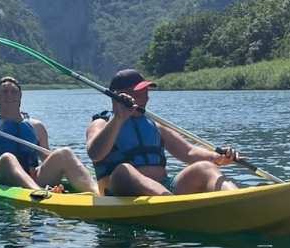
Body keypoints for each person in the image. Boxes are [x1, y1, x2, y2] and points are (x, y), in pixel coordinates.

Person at [85, 69, 239, 196]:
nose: (145, 97)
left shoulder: (155, 125)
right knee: (124, 170)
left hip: (165, 187)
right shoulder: (101, 123)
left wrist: (217, 157)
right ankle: (171, 203)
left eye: (146, 92)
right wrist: (118, 118)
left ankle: (234, 198)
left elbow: (189, 151)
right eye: (138, 93)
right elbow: (95, 154)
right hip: (118, 189)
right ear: (119, 96)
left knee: (204, 167)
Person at [0, 76, 98, 194]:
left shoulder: (37, 126)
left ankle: (98, 195)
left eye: (14, 91)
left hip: (33, 177)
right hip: (0, 180)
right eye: (4, 91)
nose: (9, 95)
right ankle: (40, 194)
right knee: (8, 158)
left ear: (20, 95)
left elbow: (47, 159)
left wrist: (68, 167)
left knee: (64, 153)